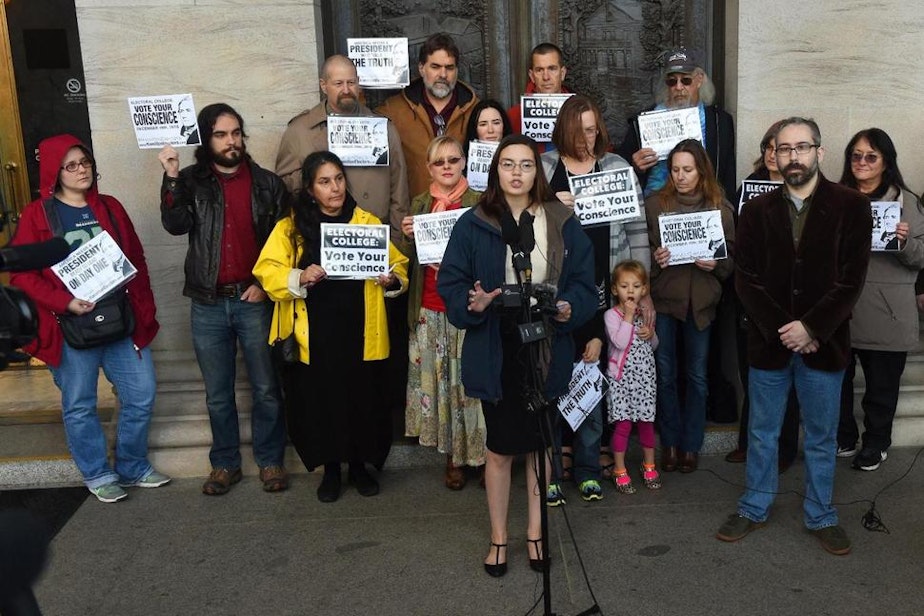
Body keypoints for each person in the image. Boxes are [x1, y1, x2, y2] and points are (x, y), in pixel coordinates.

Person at [437, 134, 595, 577]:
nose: (517, 173)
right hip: (497, 343)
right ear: (495, 171)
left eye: (526, 165)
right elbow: (451, 283)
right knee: (503, 447)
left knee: (542, 445)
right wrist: (473, 304)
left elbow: (585, 283)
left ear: (537, 172)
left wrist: (570, 307)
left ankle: (536, 533)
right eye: (508, 164)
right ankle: (499, 538)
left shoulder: (562, 220)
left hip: (546, 341)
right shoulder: (474, 222)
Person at [716, 117, 872, 556]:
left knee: (821, 436)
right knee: (763, 432)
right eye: (784, 149)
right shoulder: (756, 210)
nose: (793, 156)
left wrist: (812, 328)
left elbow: (851, 281)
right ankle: (754, 505)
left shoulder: (851, 207)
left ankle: (821, 514)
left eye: (802, 147)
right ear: (774, 155)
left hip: (825, 345)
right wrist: (785, 329)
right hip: (769, 344)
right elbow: (746, 280)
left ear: (819, 152)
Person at [11, 134, 168, 503]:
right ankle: (97, 473)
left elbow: (136, 258)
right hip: (69, 326)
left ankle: (131, 465)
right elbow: (21, 274)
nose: (81, 170)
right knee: (79, 404)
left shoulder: (110, 206)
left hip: (119, 320)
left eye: (85, 163)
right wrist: (64, 302)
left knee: (141, 394)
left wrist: (144, 307)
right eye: (71, 165)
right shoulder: (38, 215)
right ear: (55, 172)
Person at [253, 151, 409, 502]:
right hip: (315, 333)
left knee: (361, 399)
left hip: (360, 329)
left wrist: (392, 279)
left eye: (338, 179)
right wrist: (298, 275)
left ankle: (358, 466)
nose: (335, 188)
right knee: (322, 401)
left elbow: (399, 265)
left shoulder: (367, 223)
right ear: (310, 189)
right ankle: (332, 470)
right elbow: (267, 270)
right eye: (325, 182)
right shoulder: (291, 228)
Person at [159, 103, 289, 495]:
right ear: (206, 139)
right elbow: (175, 225)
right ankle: (225, 464)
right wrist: (169, 177)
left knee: (267, 387)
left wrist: (266, 285)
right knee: (218, 393)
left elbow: (287, 243)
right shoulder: (189, 181)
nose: (231, 141)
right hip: (208, 303)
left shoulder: (268, 184)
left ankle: (270, 462)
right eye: (221, 134)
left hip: (254, 301)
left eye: (236, 133)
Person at [540, 94, 650, 502]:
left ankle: (589, 456)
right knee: (553, 375)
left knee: (595, 374)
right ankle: (554, 458)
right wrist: (551, 206)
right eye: (579, 130)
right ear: (563, 130)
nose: (587, 137)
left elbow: (637, 229)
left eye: (592, 129)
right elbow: (523, 219)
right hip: (554, 291)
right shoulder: (546, 168)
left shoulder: (617, 167)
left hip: (606, 288)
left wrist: (641, 291)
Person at [836, 128, 924, 470]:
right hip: (841, 308)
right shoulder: (835, 198)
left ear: (886, 162)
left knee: (882, 388)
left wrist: (904, 242)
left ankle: (876, 444)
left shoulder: (908, 203)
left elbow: (921, 258)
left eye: (870, 156)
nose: (861, 162)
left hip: (888, 310)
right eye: (855, 155)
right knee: (835, 382)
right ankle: (843, 437)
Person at [645, 139, 735, 474]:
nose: (680, 176)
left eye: (687, 170)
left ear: (701, 171)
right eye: (675, 169)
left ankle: (691, 444)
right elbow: (642, 257)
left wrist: (718, 265)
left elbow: (732, 261)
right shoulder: (655, 204)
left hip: (701, 303)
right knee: (665, 373)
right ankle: (668, 442)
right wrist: (656, 261)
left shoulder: (720, 209)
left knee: (697, 376)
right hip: (666, 300)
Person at [401, 136, 485, 489]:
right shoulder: (420, 205)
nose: (447, 167)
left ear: (464, 162)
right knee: (443, 388)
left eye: (453, 159)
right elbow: (409, 261)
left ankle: (481, 455)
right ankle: (453, 456)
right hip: (430, 306)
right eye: (439, 162)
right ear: (428, 168)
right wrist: (407, 236)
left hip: (466, 308)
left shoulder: (479, 203)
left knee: (471, 385)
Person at [725, 121, 800, 471]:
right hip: (750, 297)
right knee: (752, 372)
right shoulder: (746, 190)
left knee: (788, 376)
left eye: (781, 148)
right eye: (769, 148)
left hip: (789, 298)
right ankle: (748, 442)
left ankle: (784, 448)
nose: (774, 155)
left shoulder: (802, 193)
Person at [275, 54, 409, 244]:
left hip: (373, 237)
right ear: (323, 85)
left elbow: (399, 190)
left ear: (359, 83)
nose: (346, 90)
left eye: (351, 82)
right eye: (338, 83)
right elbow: (281, 188)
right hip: (320, 238)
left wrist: (396, 243)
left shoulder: (383, 128)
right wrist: (313, 177)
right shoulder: (300, 130)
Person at [619, 47, 736, 201]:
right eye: (672, 81)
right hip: (656, 207)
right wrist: (635, 166)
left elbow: (728, 173)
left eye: (686, 80)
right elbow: (622, 170)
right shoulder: (643, 122)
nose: (678, 87)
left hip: (704, 207)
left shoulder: (720, 121)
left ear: (699, 79)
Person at [377, 32, 479, 198]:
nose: (443, 75)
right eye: (435, 67)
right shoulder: (394, 110)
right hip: (413, 213)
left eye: (449, 67)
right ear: (421, 68)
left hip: (462, 214)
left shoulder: (476, 110)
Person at [604, 260, 660, 494]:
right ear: (615, 289)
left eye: (636, 286)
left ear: (643, 290)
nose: (630, 291)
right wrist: (627, 317)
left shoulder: (644, 314)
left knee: (646, 423)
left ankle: (649, 465)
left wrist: (651, 334)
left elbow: (654, 346)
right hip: (622, 381)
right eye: (625, 286)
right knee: (624, 424)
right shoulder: (612, 315)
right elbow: (619, 342)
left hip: (645, 379)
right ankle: (619, 468)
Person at [507, 42, 572, 152]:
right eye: (539, 70)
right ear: (532, 76)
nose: (546, 77)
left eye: (552, 69)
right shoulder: (514, 116)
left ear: (562, 73)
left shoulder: (581, 112)